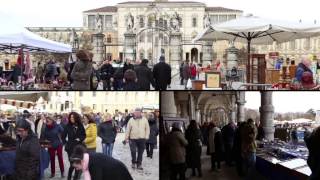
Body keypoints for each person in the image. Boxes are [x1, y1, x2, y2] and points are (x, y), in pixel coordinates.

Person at [62, 112, 86, 180]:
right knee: (72, 164)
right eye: (70, 117)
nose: (71, 118)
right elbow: (63, 136)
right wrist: (66, 143)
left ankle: (76, 178)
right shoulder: (67, 126)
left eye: (73, 117)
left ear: (76, 118)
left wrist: (80, 139)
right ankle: (69, 177)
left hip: (78, 148)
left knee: (77, 164)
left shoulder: (80, 125)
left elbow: (84, 135)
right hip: (70, 148)